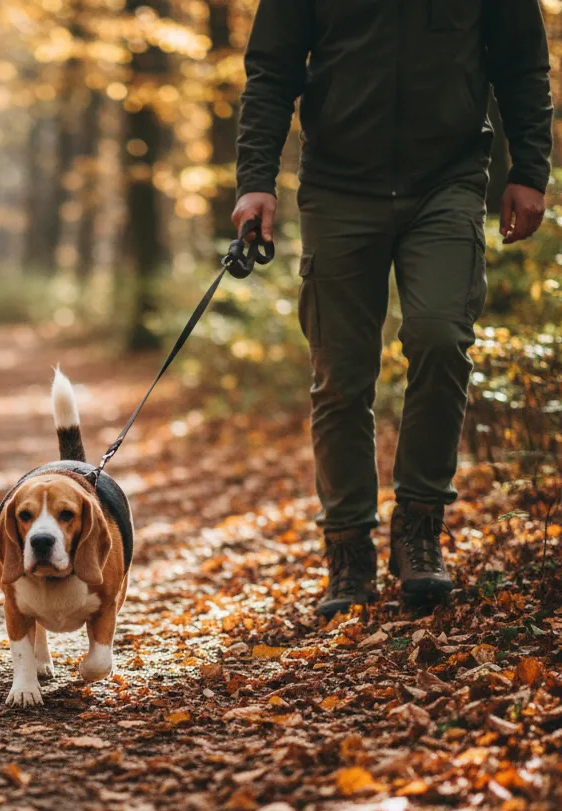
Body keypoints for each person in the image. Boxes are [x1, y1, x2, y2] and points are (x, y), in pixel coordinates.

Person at [233, 1, 553, 618]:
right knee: (341, 376)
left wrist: (530, 168)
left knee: (441, 336)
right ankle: (348, 549)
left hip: (450, 180)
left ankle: (420, 530)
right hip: (338, 185)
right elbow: (271, 71)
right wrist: (256, 180)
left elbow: (523, 64)